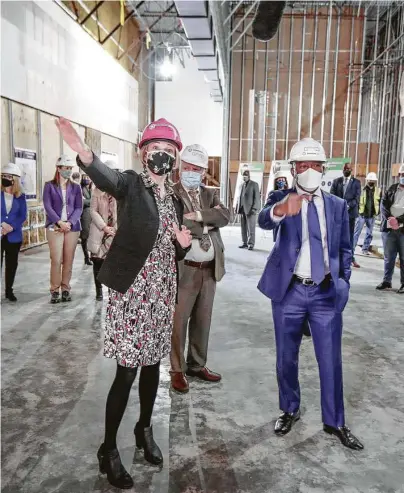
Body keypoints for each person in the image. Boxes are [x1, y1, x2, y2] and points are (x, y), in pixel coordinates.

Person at [56, 116, 192, 490]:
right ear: (142, 153)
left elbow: (170, 251)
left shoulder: (175, 201)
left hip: (161, 293)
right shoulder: (132, 185)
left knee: (152, 368)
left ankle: (143, 429)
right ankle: (108, 449)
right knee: (127, 372)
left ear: (175, 158)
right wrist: (84, 152)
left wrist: (182, 248)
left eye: (167, 151)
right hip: (132, 294)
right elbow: (107, 178)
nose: (161, 156)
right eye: (154, 150)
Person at [258, 137, 363, 451]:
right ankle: (289, 408)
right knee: (285, 358)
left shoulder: (337, 205)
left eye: (314, 165)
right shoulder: (281, 197)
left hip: (324, 293)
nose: (308, 171)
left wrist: (342, 283)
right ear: (293, 169)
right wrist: (281, 209)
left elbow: (345, 249)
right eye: (301, 165)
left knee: (330, 360)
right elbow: (265, 220)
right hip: (289, 291)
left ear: (323, 168)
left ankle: (335, 421)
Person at [170, 144, 230, 393]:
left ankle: (197, 364)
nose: (191, 172)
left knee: (202, 320)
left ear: (204, 172)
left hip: (209, 269)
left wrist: (198, 217)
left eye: (196, 169)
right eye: (187, 167)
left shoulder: (209, 193)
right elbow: (176, 223)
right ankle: (177, 369)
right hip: (185, 269)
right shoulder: (170, 193)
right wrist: (207, 222)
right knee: (179, 321)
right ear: (180, 167)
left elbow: (226, 216)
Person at [43, 155, 83, 304]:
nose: (68, 171)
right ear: (58, 169)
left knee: (68, 259)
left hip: (71, 228)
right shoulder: (49, 186)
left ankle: (65, 289)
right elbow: (47, 206)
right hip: (55, 226)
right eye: (66, 168)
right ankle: (54, 290)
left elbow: (79, 207)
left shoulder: (76, 187)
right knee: (56, 259)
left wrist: (70, 223)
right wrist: (59, 222)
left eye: (70, 168)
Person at [88, 161, 118, 301]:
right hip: (100, 231)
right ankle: (99, 290)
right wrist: (104, 226)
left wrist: (115, 228)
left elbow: (125, 211)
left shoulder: (121, 191)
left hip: (116, 232)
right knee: (98, 262)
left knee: (114, 263)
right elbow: (93, 210)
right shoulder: (97, 191)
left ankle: (113, 290)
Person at [1, 163, 27, 301]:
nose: (5, 178)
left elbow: (23, 215)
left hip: (13, 235)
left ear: (15, 179)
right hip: (0, 232)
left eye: (8, 176)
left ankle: (8, 291)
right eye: (3, 176)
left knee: (11, 265)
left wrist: (11, 227)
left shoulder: (20, 197)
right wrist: (2, 224)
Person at [376, 163, 404, 294]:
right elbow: (383, 203)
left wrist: (398, 220)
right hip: (389, 229)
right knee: (389, 256)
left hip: (402, 230)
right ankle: (387, 281)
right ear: (399, 175)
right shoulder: (392, 188)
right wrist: (390, 219)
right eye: (402, 174)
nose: (403, 176)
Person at [330, 163, 361, 268]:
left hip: (350, 214)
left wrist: (346, 206)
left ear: (351, 170)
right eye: (345, 168)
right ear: (343, 170)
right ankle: (335, 257)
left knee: (350, 237)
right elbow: (332, 196)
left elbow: (357, 199)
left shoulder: (357, 183)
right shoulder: (336, 181)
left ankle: (351, 258)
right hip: (337, 214)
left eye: (349, 169)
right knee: (336, 236)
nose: (347, 170)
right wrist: (339, 207)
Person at [352, 172, 381, 263]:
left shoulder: (378, 190)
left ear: (375, 181)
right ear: (367, 180)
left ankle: (365, 249)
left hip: (371, 215)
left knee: (369, 233)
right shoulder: (362, 190)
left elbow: (379, 202)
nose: (371, 181)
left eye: (373, 180)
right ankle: (352, 249)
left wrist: (378, 212)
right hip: (362, 214)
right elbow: (357, 201)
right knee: (357, 233)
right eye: (370, 180)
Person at [238, 170, 261, 250]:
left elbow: (257, 198)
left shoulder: (254, 184)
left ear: (249, 176)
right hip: (242, 209)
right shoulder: (241, 185)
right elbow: (240, 197)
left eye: (245, 176)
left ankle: (251, 244)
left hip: (251, 210)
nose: (244, 178)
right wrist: (238, 207)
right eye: (243, 176)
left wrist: (254, 208)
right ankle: (244, 243)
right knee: (243, 228)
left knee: (251, 228)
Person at [80, 173, 93, 266]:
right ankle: (86, 257)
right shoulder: (80, 189)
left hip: (92, 216)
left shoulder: (92, 188)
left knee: (92, 237)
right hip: (84, 216)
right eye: (85, 177)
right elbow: (82, 202)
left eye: (88, 177)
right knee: (85, 237)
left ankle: (92, 256)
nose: (87, 179)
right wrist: (92, 201)